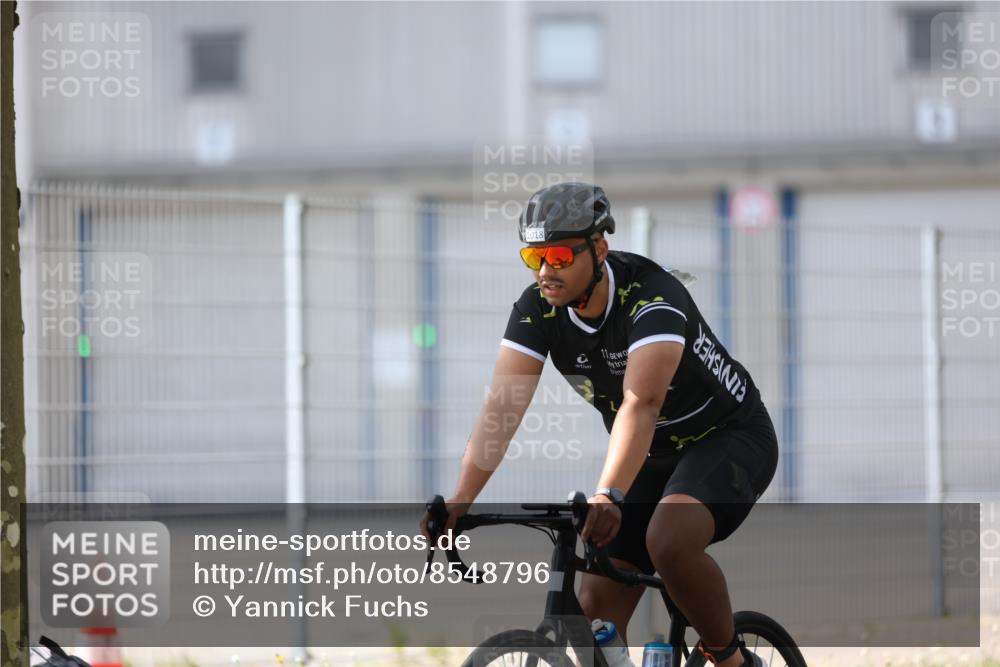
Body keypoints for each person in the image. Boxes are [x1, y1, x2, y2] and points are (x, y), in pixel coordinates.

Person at [421, 182, 778, 667]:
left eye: (561, 257)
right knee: (591, 616)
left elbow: (640, 403)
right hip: (652, 454)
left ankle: (732, 659)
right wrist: (461, 500)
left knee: (668, 543)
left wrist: (609, 493)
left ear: (599, 249)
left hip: (728, 438)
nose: (546, 271)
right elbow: (502, 408)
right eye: (534, 258)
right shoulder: (538, 308)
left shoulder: (653, 298)